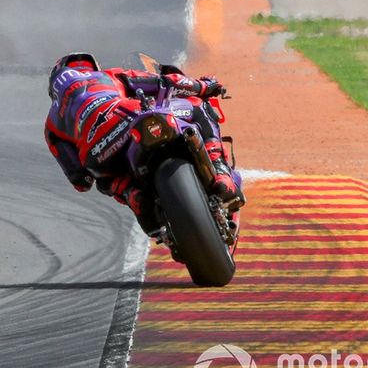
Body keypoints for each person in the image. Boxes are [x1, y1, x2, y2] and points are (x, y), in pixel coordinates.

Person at [44, 52, 244, 234]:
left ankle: (132, 194)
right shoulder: (109, 76)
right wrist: (205, 86)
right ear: (93, 68)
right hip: (129, 120)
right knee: (198, 105)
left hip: (97, 153)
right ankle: (219, 170)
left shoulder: (52, 124)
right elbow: (165, 82)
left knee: (104, 179)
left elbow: (80, 180)